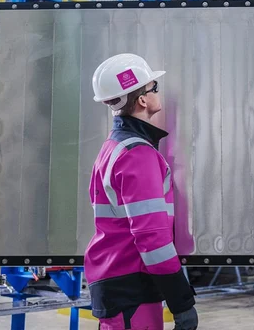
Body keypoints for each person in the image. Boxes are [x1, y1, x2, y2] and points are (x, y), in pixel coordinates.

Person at [86, 53, 198, 330]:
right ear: (143, 100)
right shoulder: (137, 154)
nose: (157, 92)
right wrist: (181, 302)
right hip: (131, 284)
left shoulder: (114, 146)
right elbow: (153, 239)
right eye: (153, 87)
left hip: (119, 280)